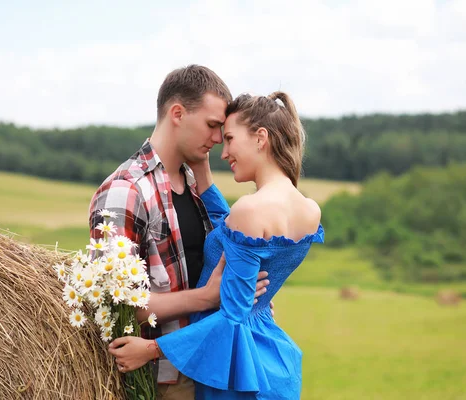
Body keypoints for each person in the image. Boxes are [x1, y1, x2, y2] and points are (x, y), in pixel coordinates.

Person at [108, 91, 324, 399]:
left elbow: (231, 318)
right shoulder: (309, 210)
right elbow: (231, 232)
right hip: (270, 355)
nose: (224, 152)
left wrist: (151, 349)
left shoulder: (250, 211)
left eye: (231, 139)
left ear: (260, 138)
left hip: (232, 365)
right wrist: (203, 173)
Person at [89, 65, 271, 400]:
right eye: (212, 125)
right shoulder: (125, 192)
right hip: (162, 380)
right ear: (177, 113)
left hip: (206, 366)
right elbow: (118, 307)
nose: (218, 140)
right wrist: (207, 297)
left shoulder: (194, 184)